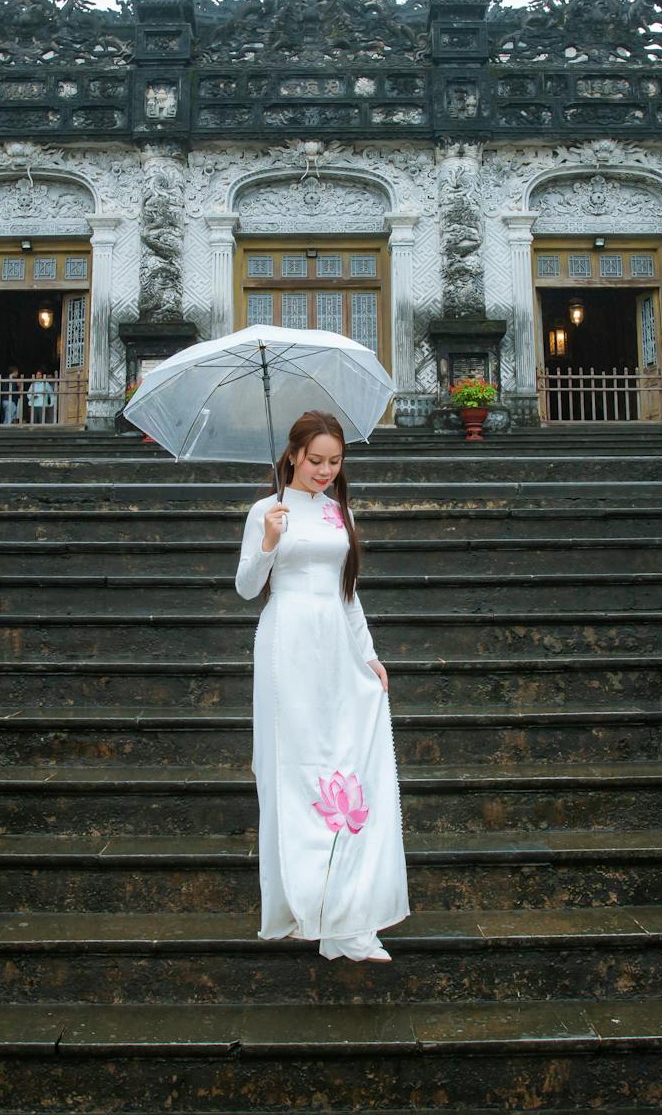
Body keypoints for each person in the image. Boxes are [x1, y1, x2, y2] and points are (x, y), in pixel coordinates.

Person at [234, 409, 408, 962]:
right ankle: (301, 898)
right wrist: (267, 541)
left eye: (334, 462)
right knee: (295, 763)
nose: (325, 471)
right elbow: (245, 588)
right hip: (287, 640)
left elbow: (347, 592)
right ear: (292, 456)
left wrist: (370, 655)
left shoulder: (337, 513)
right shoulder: (268, 510)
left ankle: (347, 909)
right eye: (315, 461)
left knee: (344, 763)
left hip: (334, 640)